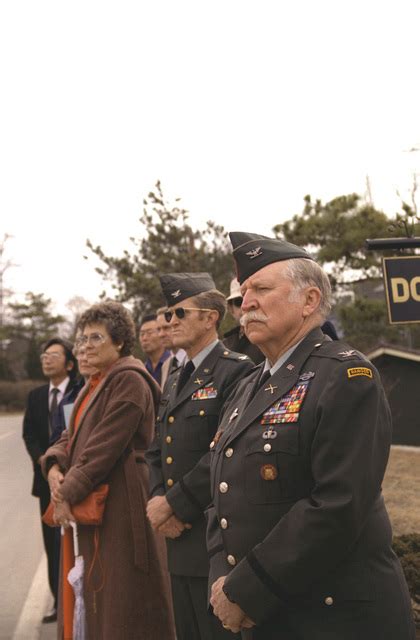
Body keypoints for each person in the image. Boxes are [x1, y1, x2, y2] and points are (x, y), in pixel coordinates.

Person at [207, 232, 415, 640]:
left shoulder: (345, 376)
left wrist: (246, 588)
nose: (246, 303)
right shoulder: (249, 386)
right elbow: (222, 491)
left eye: (262, 289)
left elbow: (337, 504)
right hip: (264, 611)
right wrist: (223, 580)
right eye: (245, 292)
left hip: (331, 619)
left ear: (310, 301)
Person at [41, 301, 175, 639]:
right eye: (82, 338)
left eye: (95, 338)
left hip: (123, 507)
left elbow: (101, 449)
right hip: (100, 502)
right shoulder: (95, 383)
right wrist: (55, 464)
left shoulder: (128, 380)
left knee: (126, 601)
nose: (85, 346)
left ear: (119, 342)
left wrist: (64, 493)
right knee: (102, 598)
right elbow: (70, 436)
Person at [146, 272, 254, 640]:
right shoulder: (175, 376)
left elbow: (224, 453)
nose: (169, 321)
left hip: (212, 540)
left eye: (179, 312)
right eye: (167, 314)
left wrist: (174, 504)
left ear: (210, 317)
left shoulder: (235, 370)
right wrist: (157, 499)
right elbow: (157, 448)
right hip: (176, 538)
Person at [22, 337, 77, 623]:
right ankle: (60, 603)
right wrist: (45, 463)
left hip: (76, 480)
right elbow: (28, 433)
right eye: (44, 355)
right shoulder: (35, 395)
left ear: (69, 363)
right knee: (51, 542)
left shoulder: (80, 391)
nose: (46, 359)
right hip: (45, 481)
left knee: (74, 542)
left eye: (53, 355)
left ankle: (78, 601)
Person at [223, 278, 264, 364]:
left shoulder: (269, 339)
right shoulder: (225, 344)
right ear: (231, 309)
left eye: (251, 299)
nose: (245, 306)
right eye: (239, 302)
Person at [156, 306, 187, 386]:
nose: (161, 334)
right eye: (158, 329)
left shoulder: (194, 359)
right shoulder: (165, 366)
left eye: (166, 328)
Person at [139, 313, 171, 386]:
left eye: (149, 333)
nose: (144, 338)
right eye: (142, 334)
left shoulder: (175, 364)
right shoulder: (142, 369)